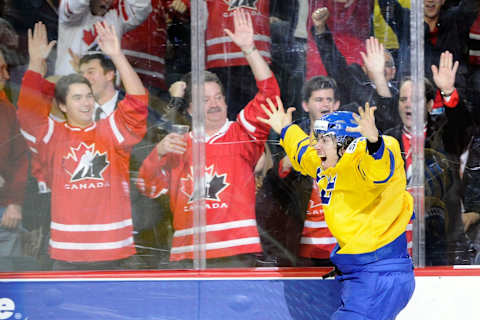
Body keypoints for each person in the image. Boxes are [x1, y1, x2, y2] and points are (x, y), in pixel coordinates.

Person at [136, 9, 280, 268]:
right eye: (204, 100)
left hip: (235, 252)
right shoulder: (176, 143)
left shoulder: (241, 133)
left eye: (218, 97)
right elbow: (147, 188)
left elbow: (269, 95)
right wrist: (158, 153)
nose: (214, 104)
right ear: (190, 109)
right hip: (187, 254)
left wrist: (249, 50)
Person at [258, 100, 415, 318]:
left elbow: (380, 165)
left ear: (345, 145)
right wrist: (286, 129)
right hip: (359, 273)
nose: (317, 146)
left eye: (324, 140)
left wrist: (374, 141)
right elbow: (303, 152)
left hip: (380, 273)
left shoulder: (363, 161)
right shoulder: (327, 165)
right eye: (318, 139)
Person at [17, 21, 148, 270]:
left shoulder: (111, 130)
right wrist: (35, 64)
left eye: (89, 95)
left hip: (115, 252)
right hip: (69, 255)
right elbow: (28, 113)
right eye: (77, 98)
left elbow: (138, 102)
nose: (86, 102)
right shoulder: (52, 136)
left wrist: (117, 56)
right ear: (63, 106)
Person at [256, 75, 341, 267]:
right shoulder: (287, 144)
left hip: (342, 248)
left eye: (329, 99)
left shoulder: (349, 140)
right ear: (305, 105)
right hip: (304, 251)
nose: (325, 104)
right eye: (318, 99)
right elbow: (273, 196)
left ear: (337, 104)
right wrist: (284, 168)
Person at [311, 7, 400, 132]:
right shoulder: (354, 83)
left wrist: (379, 78)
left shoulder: (400, 95)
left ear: (394, 71)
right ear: (365, 66)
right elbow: (335, 64)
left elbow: (390, 121)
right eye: (376, 62)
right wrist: (321, 30)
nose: (380, 67)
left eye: (387, 64)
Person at [55, 0, 151, 75]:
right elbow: (74, 5)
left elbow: (141, 8)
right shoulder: (70, 17)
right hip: (68, 89)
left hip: (103, 93)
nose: (106, 1)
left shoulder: (116, 18)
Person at [0, 48, 29, 269]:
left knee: (8, 286)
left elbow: (20, 160)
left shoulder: (7, 110)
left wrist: (14, 203)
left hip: (3, 213)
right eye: (1, 70)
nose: (7, 77)